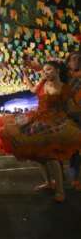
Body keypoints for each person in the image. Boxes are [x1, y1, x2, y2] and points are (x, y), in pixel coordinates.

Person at [0, 60, 81, 202]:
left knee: (51, 156)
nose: (45, 72)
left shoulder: (65, 88)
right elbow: (32, 89)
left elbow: (71, 107)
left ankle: (60, 190)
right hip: (37, 119)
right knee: (37, 154)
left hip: (56, 122)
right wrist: (25, 75)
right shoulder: (42, 84)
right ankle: (48, 182)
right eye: (44, 70)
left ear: (57, 70)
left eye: (49, 69)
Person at [65, 51, 81, 190]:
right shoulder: (65, 77)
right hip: (70, 116)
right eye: (73, 59)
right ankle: (75, 178)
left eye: (78, 59)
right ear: (68, 62)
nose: (76, 61)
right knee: (74, 149)